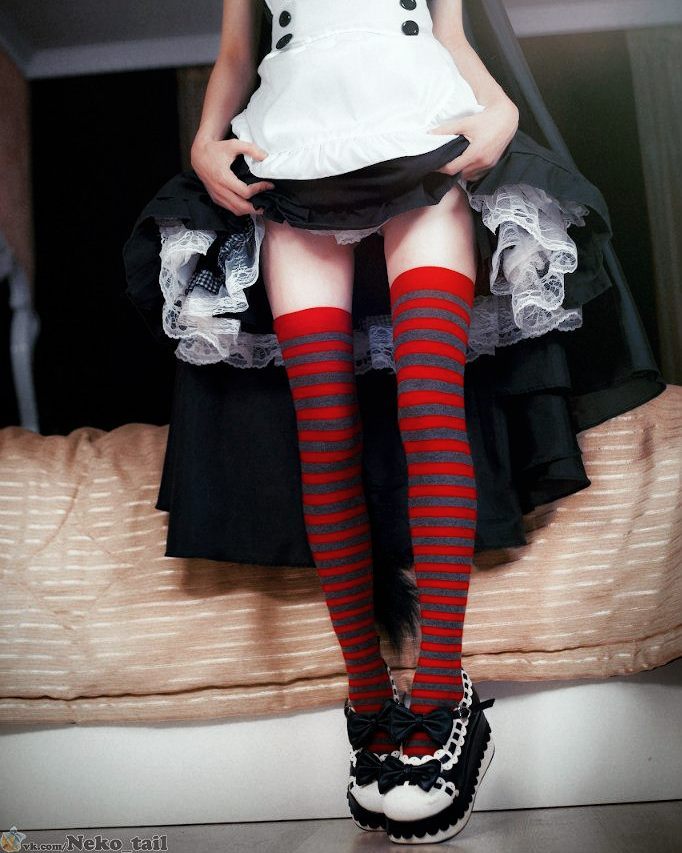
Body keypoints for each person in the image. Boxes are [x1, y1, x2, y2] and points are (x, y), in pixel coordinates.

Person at [122, 0, 665, 843]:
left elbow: (451, 33)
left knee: (430, 406)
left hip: (423, 137)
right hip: (289, 154)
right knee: (323, 429)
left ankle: (443, 697)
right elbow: (236, 50)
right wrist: (203, 143)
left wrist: (501, 112)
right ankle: (370, 700)